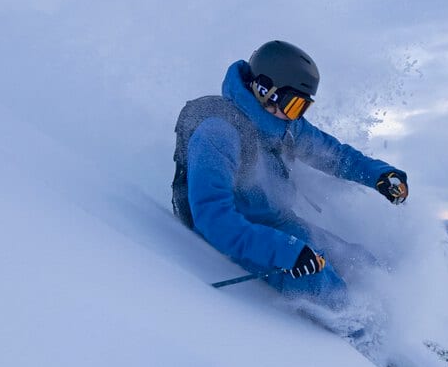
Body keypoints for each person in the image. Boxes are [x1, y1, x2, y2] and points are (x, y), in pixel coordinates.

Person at [172, 40, 408, 309]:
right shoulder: (218, 132)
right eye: (293, 105)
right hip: (241, 235)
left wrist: (379, 175)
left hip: (279, 223)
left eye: (303, 107)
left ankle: (396, 319)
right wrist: (284, 250)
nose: (295, 116)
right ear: (265, 90)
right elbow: (213, 219)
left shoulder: (285, 127)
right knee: (323, 286)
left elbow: (336, 155)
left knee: (360, 263)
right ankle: (364, 336)